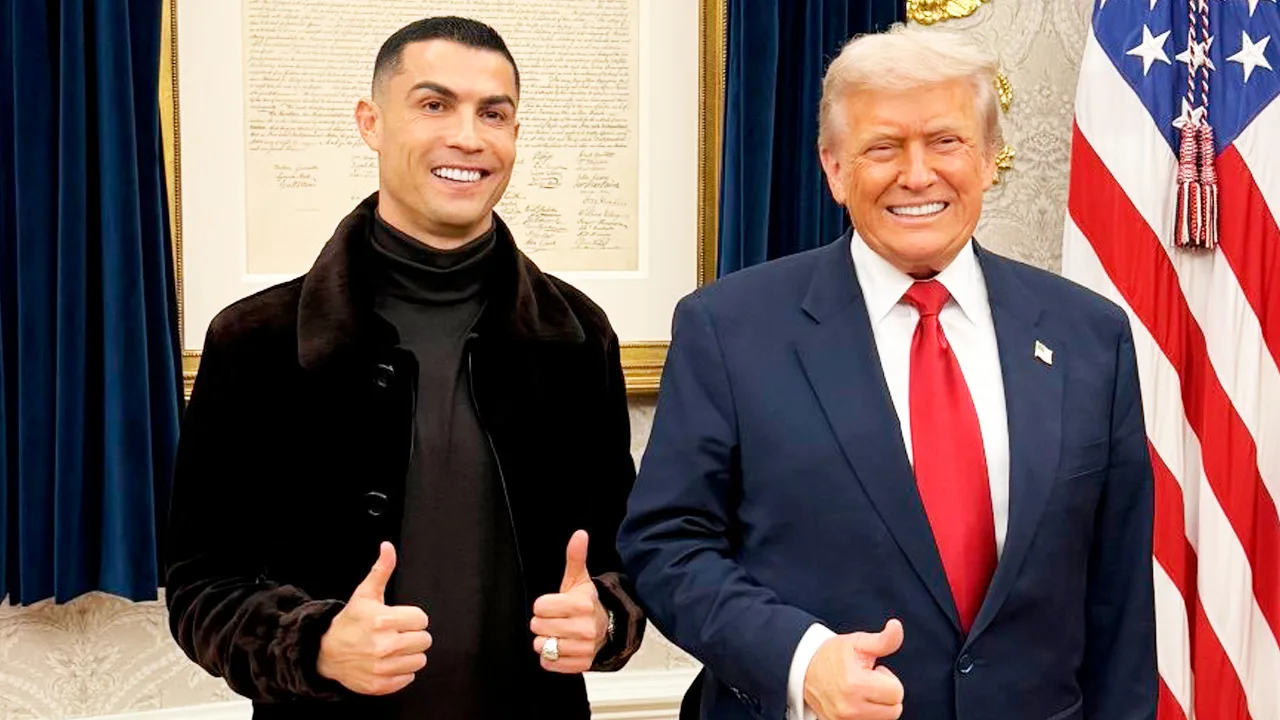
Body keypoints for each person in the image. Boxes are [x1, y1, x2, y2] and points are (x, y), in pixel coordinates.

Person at [618, 23, 1156, 720]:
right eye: (882, 147)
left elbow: (1118, 598)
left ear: (990, 158)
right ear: (834, 169)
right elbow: (667, 544)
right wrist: (799, 659)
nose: (917, 174)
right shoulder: (729, 329)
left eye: (946, 141)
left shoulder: (1089, 336)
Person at [165, 16, 644, 720]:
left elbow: (625, 554)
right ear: (371, 123)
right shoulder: (256, 342)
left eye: (495, 114)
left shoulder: (576, 337)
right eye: (434, 105)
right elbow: (199, 586)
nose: (469, 137)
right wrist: (317, 644)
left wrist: (604, 619)